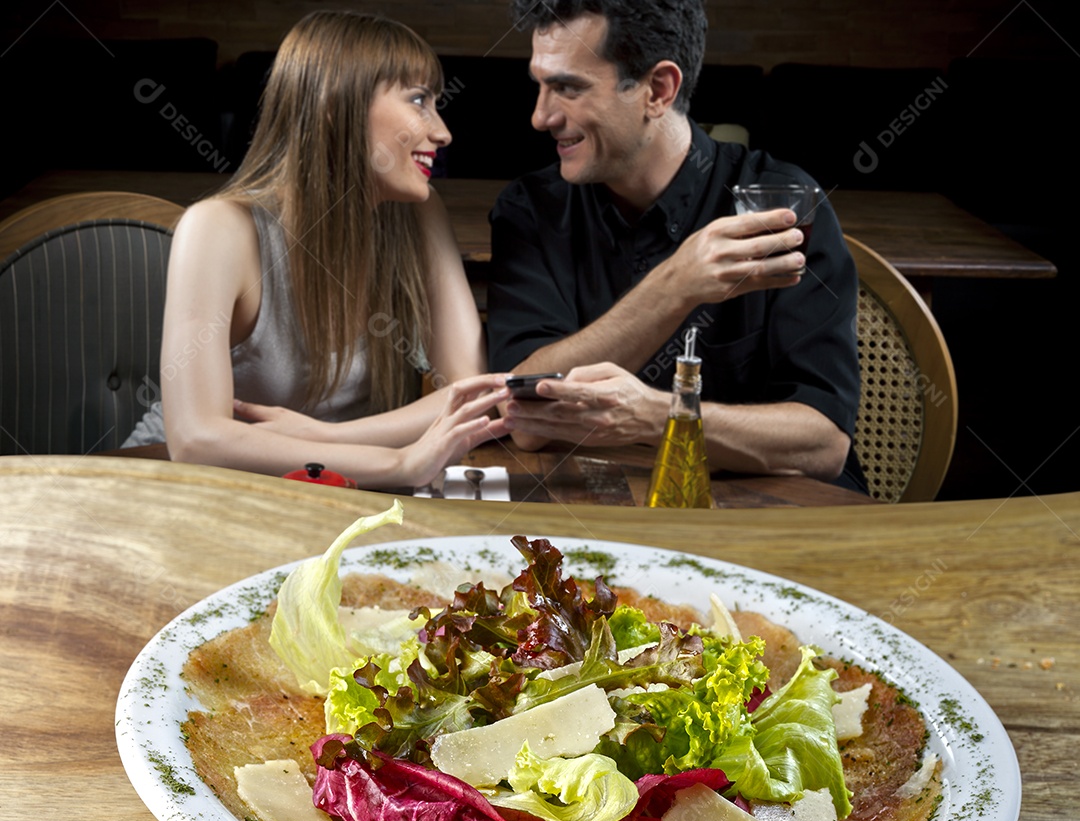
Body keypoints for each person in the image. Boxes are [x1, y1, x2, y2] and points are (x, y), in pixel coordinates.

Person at [487, 0, 866, 492]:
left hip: (772, 515)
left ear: (658, 90)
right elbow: (525, 415)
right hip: (604, 514)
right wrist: (676, 285)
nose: (541, 116)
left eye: (568, 87)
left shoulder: (780, 203)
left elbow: (823, 444)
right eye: (540, 85)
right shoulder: (530, 210)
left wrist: (658, 416)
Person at [125, 11, 510, 488]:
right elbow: (198, 441)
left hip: (333, 489)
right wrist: (399, 464)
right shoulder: (219, 227)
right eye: (418, 101)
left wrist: (330, 438)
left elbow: (468, 397)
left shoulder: (419, 213)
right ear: (335, 106)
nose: (443, 132)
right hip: (197, 485)